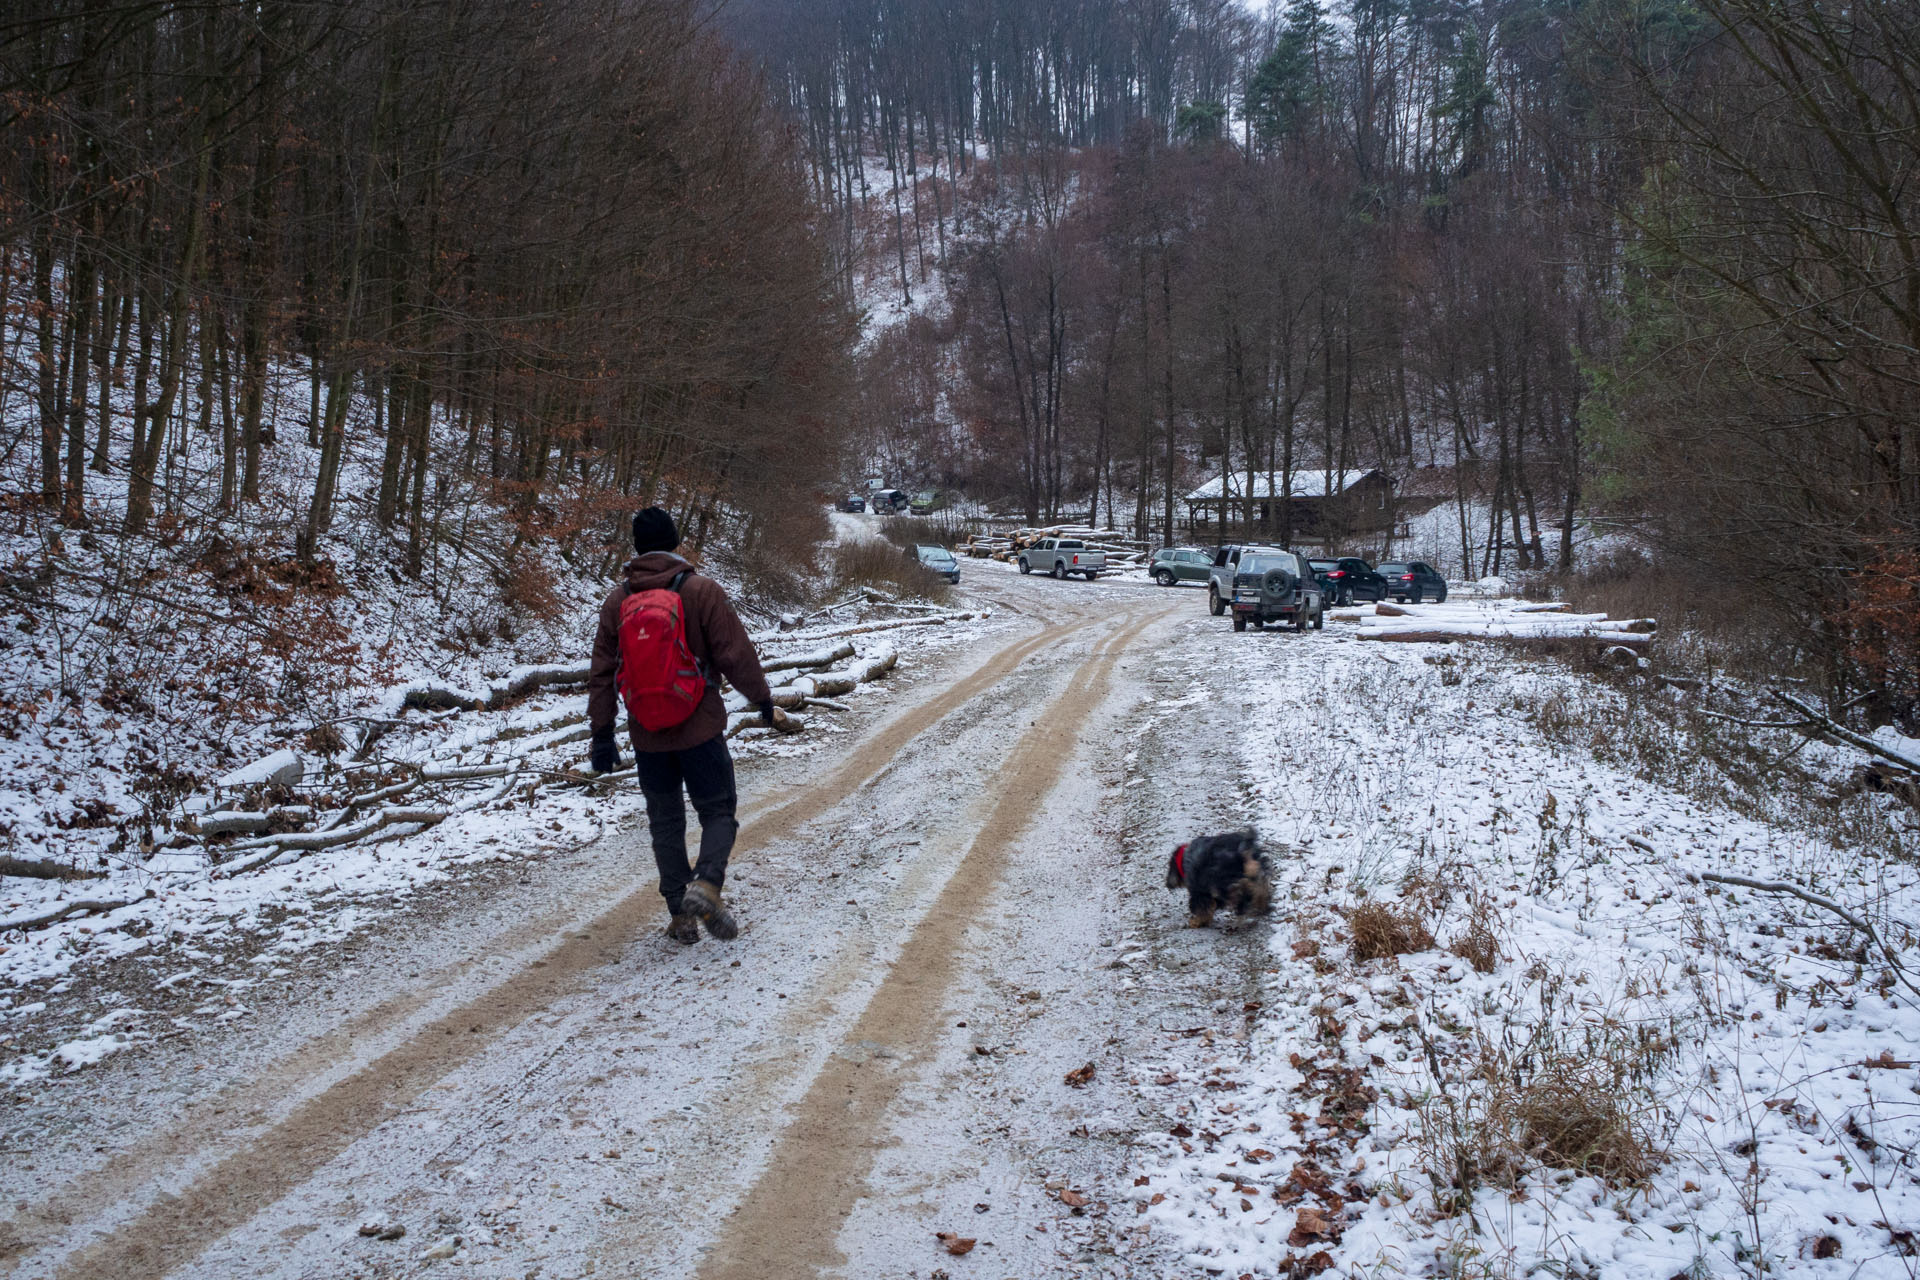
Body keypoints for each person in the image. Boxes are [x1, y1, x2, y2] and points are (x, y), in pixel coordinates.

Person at [587, 507, 791, 943]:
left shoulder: (617, 601)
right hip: (699, 728)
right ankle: (706, 884)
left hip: (647, 734)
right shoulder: (700, 591)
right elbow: (734, 654)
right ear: (676, 541)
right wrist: (763, 699)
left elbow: (603, 673)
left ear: (637, 548)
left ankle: (680, 916)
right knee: (718, 810)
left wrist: (602, 734)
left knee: (665, 822)